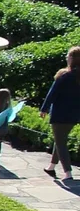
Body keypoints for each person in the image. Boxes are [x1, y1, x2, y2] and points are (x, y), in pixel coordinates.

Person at [40, 45, 80, 180]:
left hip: (59, 114)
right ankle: (51, 166)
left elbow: (52, 93)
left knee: (61, 142)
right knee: (60, 140)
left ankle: (68, 173)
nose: (66, 58)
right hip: (74, 115)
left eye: (68, 56)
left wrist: (44, 109)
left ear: (72, 59)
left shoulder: (64, 76)